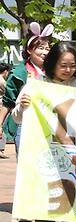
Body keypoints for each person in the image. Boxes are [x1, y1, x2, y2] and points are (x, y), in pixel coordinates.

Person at [12, 41, 76, 222]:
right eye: (63, 65)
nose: (67, 70)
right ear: (51, 65)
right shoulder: (36, 85)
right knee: (45, 200)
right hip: (43, 154)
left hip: (72, 154)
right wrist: (23, 107)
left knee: (73, 204)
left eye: (72, 65)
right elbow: (17, 119)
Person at [1, 22, 52, 154]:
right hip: (24, 123)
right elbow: (8, 102)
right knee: (26, 167)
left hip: (49, 124)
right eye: (40, 48)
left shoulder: (53, 72)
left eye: (47, 48)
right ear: (29, 50)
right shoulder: (19, 73)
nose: (45, 52)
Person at [0, 62, 11, 159]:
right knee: (2, 127)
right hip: (2, 107)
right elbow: (9, 93)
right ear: (5, 71)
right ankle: (0, 150)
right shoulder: (2, 82)